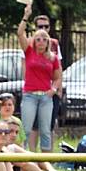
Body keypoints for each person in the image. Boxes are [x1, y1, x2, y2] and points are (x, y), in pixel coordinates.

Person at [17, 2, 61, 152]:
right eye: (38, 39)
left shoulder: (52, 57)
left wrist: (54, 89)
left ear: (48, 42)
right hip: (30, 95)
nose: (41, 41)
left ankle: (46, 163)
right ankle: (22, 159)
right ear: (33, 41)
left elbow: (58, 77)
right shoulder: (29, 52)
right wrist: (26, 16)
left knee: (45, 131)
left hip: (46, 98)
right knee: (26, 129)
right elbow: (20, 34)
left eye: (44, 39)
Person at [32, 15, 63, 149]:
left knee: (49, 125)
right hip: (34, 90)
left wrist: (58, 89)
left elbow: (59, 68)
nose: (44, 29)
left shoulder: (54, 44)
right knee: (34, 126)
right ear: (35, 28)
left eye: (46, 26)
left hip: (51, 90)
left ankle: (48, 158)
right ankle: (31, 156)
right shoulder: (29, 44)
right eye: (40, 26)